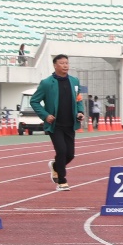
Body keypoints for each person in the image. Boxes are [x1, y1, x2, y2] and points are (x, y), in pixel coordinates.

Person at [30, 54, 85, 191]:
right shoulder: (47, 83)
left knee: (70, 154)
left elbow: (78, 100)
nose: (65, 65)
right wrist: (45, 115)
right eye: (62, 63)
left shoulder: (74, 81)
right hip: (55, 125)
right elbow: (34, 101)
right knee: (61, 151)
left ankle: (55, 166)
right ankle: (62, 181)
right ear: (55, 65)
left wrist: (80, 112)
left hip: (70, 123)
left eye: (67, 63)